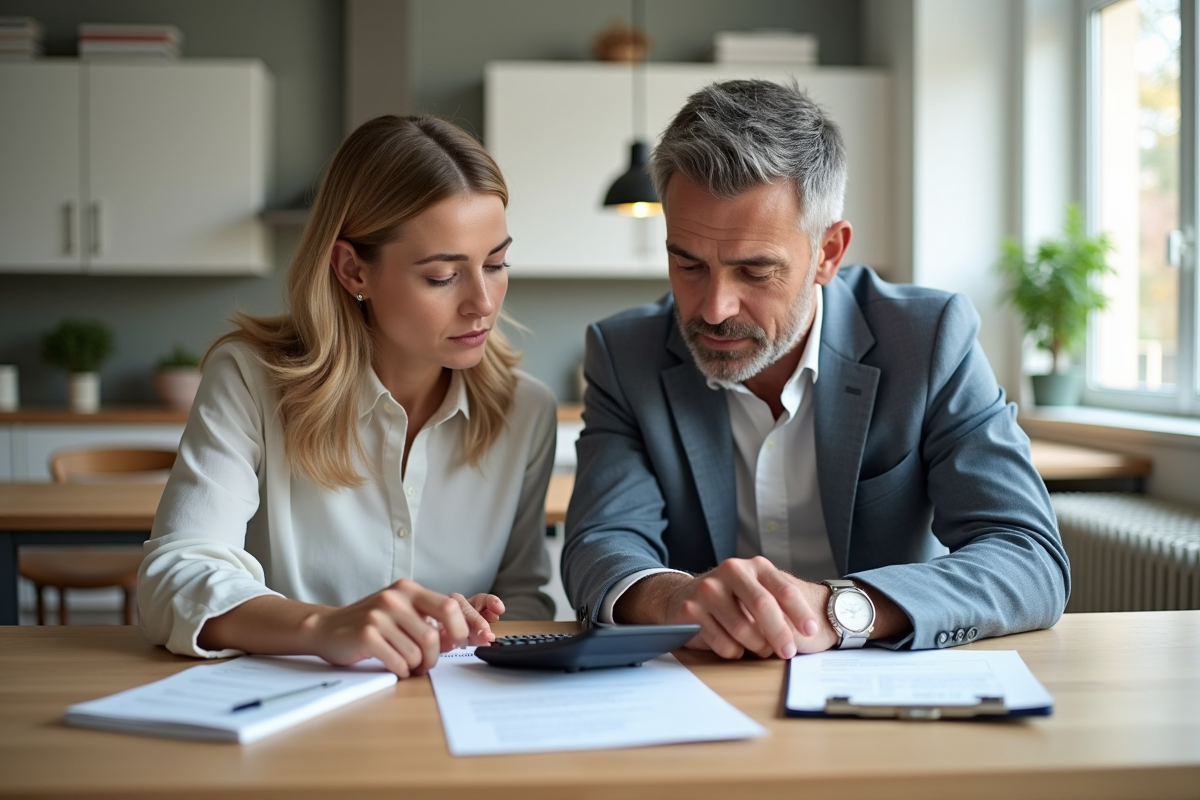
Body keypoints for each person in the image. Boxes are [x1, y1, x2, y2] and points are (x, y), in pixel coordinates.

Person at [562, 80, 1069, 659]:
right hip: (706, 686)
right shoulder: (625, 354)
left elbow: (1026, 554)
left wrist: (842, 610)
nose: (713, 308)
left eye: (755, 271)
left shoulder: (928, 340)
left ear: (828, 252)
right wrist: (675, 598)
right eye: (688, 263)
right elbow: (601, 542)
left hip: (887, 690)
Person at [139, 115, 558, 678]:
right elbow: (176, 576)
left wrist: (485, 624)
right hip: (284, 714)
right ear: (352, 268)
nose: (483, 301)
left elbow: (526, 600)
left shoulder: (525, 412)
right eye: (442, 276)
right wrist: (323, 627)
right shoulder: (249, 380)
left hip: (453, 717)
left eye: (496, 263)